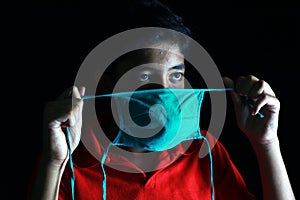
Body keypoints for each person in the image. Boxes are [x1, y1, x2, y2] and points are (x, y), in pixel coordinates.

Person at [27, 0, 295, 200]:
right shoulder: (70, 156)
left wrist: (266, 143)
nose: (165, 93)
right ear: (109, 81)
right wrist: (54, 161)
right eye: (145, 76)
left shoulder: (202, 153)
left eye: (176, 76)